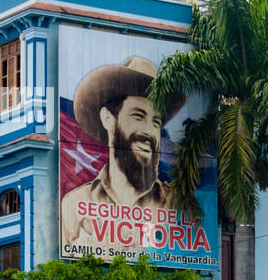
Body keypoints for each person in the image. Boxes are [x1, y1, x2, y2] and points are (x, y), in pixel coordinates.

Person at [61, 56, 187, 249]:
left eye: (156, 123)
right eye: (138, 116)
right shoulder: (74, 203)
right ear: (108, 120)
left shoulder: (177, 204)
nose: (149, 131)